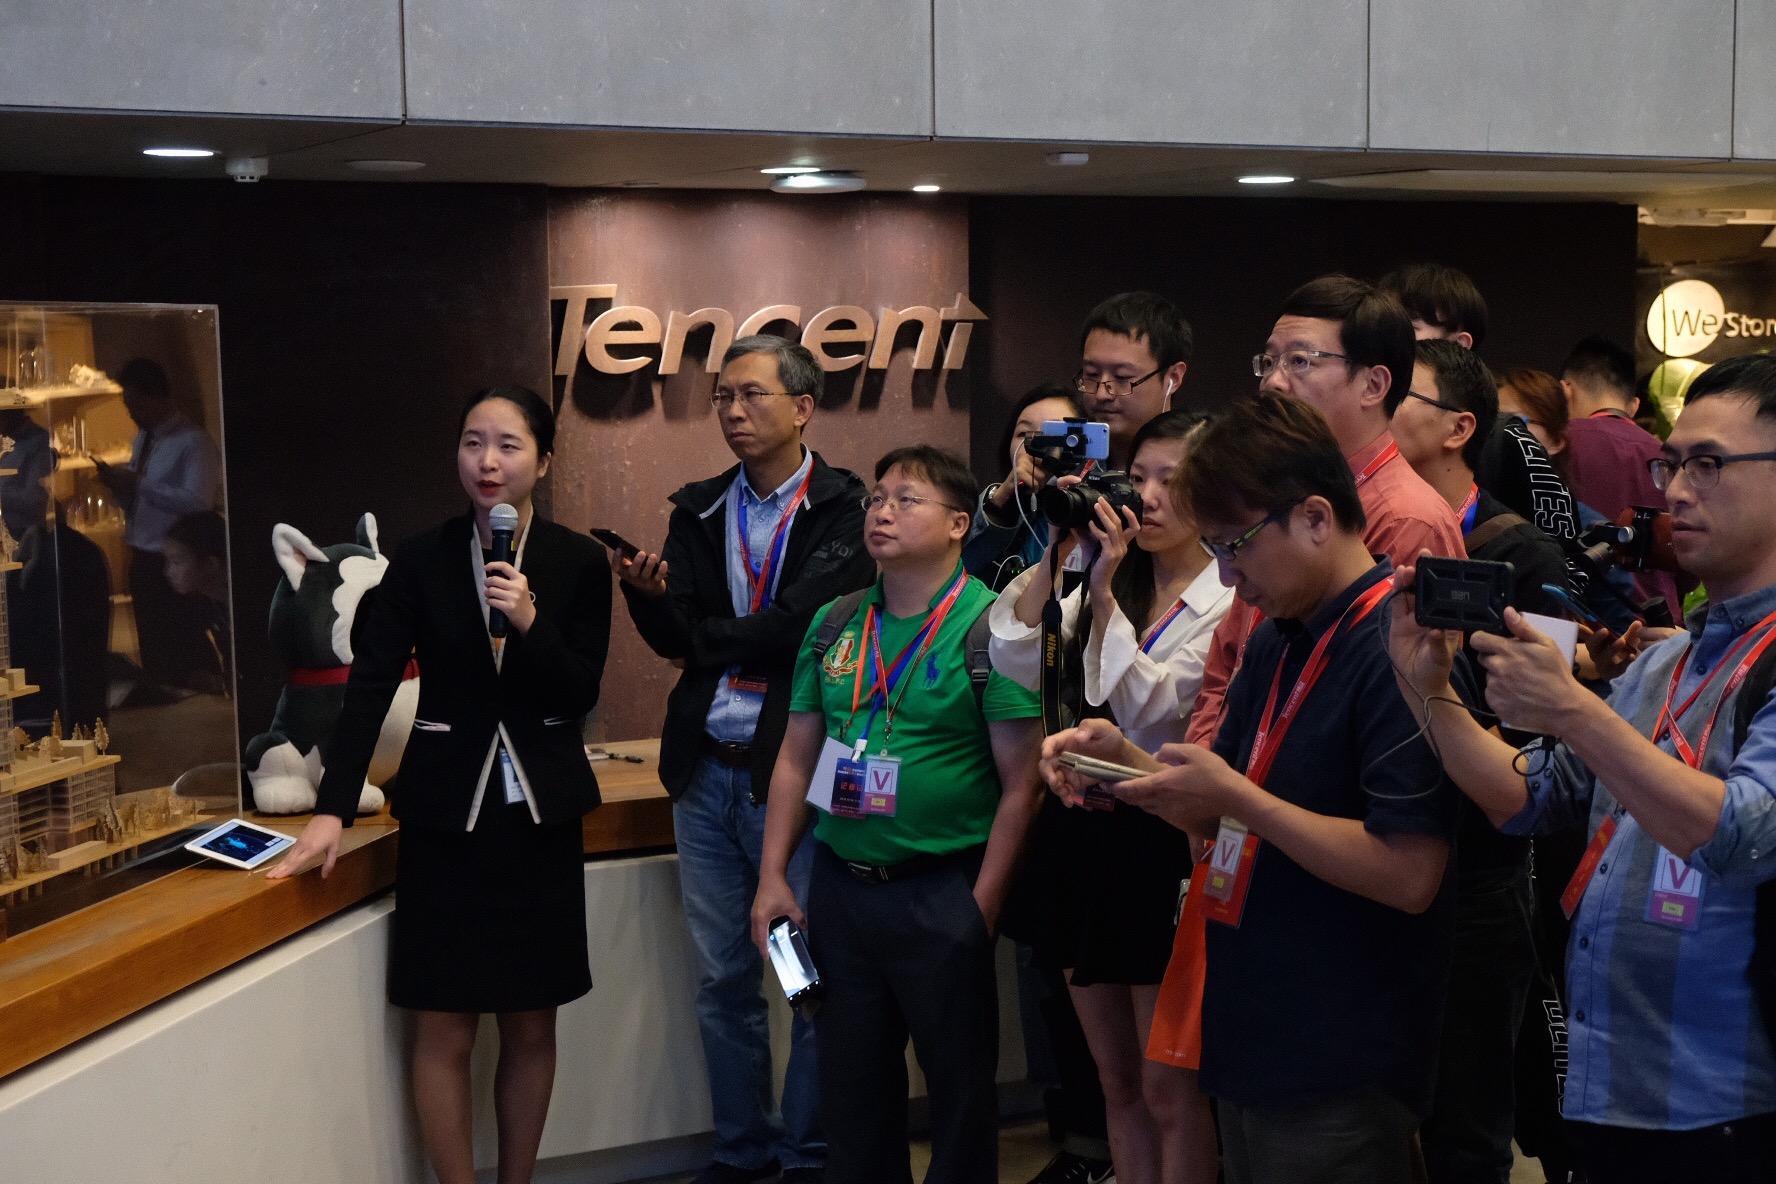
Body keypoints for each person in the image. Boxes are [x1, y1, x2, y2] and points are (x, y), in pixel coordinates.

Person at [1045, 392, 1458, 1184]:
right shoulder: (1277, 639)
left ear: (1314, 517)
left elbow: (1409, 873)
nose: (1230, 576)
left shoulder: (1401, 648)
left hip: (1339, 1045)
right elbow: (1217, 808)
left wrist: (1239, 799)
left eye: (1235, 548)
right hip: (1250, 1019)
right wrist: (1121, 763)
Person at [1386, 352, 1776, 1184]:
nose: (1675, 492)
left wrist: (1572, 710)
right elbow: (1526, 799)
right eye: (1673, 465)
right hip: (1613, 1088)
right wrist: (1430, 690)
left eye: (1709, 465)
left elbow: (1744, 836)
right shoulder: (1662, 665)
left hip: (1732, 1105)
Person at [268, 385, 611, 1184]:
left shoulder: (578, 562)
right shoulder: (419, 561)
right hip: (444, 818)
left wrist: (528, 620)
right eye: (472, 442)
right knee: (443, 1026)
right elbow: (369, 689)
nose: (487, 461)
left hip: (540, 818)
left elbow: (577, 692)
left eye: (508, 445)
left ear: (544, 460)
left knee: (531, 1025)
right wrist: (331, 810)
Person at [750, 445, 1045, 1184]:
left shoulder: (994, 626)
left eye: (905, 499)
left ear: (957, 524)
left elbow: (1023, 783)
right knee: (850, 1089)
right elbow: (796, 758)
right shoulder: (836, 621)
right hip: (841, 888)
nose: (881, 511)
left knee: (959, 1090)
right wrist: (774, 875)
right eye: (876, 498)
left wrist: (982, 906)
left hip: (942, 887)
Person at [618, 335, 871, 1184]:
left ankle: (807, 1155)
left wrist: (703, 637)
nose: (732, 410)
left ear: (802, 407)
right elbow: (674, 637)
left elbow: (802, 623)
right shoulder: (698, 509)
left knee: (801, 974)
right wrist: (647, 598)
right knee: (722, 978)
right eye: (723, 396)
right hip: (706, 773)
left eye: (751, 394)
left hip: (787, 778)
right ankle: (743, 1150)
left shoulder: (842, 508)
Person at [990, 410, 1229, 1184]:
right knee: (1116, 1082)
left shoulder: (1230, 595)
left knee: (1169, 1090)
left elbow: (1152, 704)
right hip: (1086, 831)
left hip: (1165, 838)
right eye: (1141, 476)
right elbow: (1016, 660)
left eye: (1172, 480)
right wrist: (1062, 554)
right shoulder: (1114, 571)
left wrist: (1101, 597)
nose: (1148, 497)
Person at [1390, 338, 1569, 1184]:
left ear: (1459, 427)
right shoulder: (1371, 531)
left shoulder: (1524, 553)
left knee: (1466, 1125)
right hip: (1390, 842)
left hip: (1482, 868)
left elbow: (1544, 732)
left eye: (1403, 393)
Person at [1186, 274, 1464, 751]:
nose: (1273, 382)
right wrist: (1202, 768)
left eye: (1300, 361)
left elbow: (1393, 706)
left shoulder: (1408, 520)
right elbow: (1228, 662)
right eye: (1269, 361)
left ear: (1374, 384)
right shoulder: (1272, 491)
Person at [1377, 264, 1582, 552]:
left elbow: (1563, 556)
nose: (1389, 344)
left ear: (1461, 343)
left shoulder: (1509, 439)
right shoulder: (1370, 421)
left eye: (1408, 330)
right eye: (1385, 329)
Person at [93, 357, 222, 693]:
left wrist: (140, 484)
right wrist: (119, 488)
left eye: (136, 404)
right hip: (142, 551)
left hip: (175, 557)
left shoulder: (194, 442)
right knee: (154, 646)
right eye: (128, 405)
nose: (132, 413)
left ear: (157, 397)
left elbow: (198, 503)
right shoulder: (144, 439)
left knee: (185, 643)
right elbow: (143, 499)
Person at [1560, 336, 1680, 620]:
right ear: (1634, 405)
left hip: (1583, 623)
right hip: (1662, 621)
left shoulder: (1556, 446)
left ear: (1565, 390)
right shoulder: (1670, 455)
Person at [965, 381, 1088, 592]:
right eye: (1023, 434)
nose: (1035, 444)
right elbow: (955, 573)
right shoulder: (998, 508)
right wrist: (999, 506)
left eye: (1054, 434)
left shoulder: (1096, 513)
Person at [1075, 292, 1192, 467]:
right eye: (1091, 374)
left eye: (1122, 377)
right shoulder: (1066, 469)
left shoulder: (1205, 468)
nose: (1101, 394)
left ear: (1173, 377)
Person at [161, 509, 232, 693]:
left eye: (177, 562)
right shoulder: (204, 603)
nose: (168, 572)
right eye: (168, 561)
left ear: (211, 564)